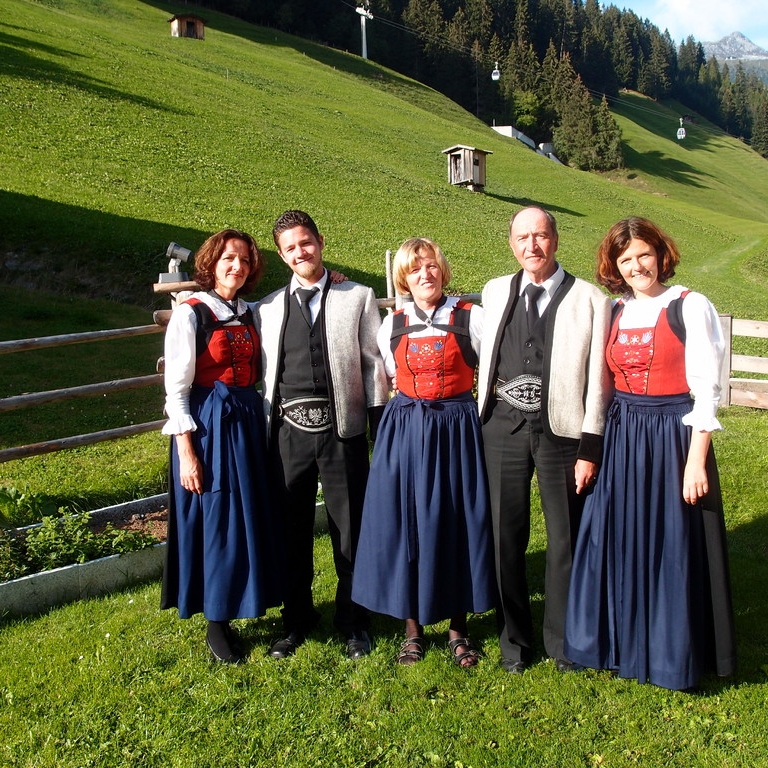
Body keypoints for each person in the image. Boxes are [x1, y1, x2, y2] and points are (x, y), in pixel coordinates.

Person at [564, 217, 736, 690]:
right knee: (614, 536)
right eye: (626, 259)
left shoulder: (689, 305)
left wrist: (696, 460)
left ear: (661, 254)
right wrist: (593, 448)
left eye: (644, 254)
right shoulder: (615, 312)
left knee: (669, 542)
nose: (637, 266)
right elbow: (603, 386)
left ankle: (666, 651)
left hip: (671, 436)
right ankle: (615, 641)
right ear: (614, 267)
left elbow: (707, 389)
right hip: (624, 434)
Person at [477, 206, 612, 674]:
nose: (532, 245)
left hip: (562, 435)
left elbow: (600, 381)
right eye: (522, 237)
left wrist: (590, 446)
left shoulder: (592, 300)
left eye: (540, 235)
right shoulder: (495, 291)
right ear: (511, 243)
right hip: (502, 428)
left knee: (565, 539)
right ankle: (514, 643)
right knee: (504, 537)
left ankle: (563, 641)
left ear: (555, 239)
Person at [351, 238, 496, 668]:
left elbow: (488, 375)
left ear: (443, 270)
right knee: (405, 524)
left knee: (454, 522)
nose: (425, 275)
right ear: (404, 278)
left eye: (431, 266)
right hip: (407, 428)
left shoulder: (472, 319)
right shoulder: (390, 325)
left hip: (456, 428)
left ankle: (457, 629)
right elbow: (388, 377)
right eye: (415, 270)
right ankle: (411, 630)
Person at [255, 210, 389, 661]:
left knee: (349, 530)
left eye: (306, 242)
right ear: (281, 255)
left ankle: (354, 622)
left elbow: (373, 365)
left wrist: (375, 426)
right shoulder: (268, 308)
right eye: (290, 247)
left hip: (343, 431)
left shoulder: (358, 296)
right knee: (291, 531)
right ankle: (298, 619)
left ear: (321, 241)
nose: (300, 252)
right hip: (287, 435)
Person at [160, 228, 283, 664]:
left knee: (245, 517)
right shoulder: (192, 313)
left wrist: (337, 278)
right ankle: (216, 620)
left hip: (247, 424)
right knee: (216, 520)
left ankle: (242, 601)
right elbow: (176, 389)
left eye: (246, 261)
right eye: (230, 258)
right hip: (210, 426)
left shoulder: (252, 311)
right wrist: (187, 453)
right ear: (211, 262)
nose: (237, 266)